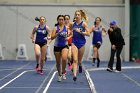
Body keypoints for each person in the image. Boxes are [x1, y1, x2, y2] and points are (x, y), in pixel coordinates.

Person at [70, 10, 90, 81]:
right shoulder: (72, 24)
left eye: (78, 15)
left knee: (79, 60)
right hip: (74, 43)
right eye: (76, 15)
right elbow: (68, 29)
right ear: (75, 16)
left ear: (81, 16)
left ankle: (80, 65)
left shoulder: (84, 24)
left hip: (81, 43)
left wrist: (80, 31)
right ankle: (75, 75)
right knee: (75, 60)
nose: (77, 16)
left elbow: (88, 34)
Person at [51, 15, 72, 82]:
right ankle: (59, 74)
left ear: (64, 20)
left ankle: (63, 72)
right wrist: (57, 34)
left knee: (64, 58)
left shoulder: (67, 27)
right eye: (59, 19)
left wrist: (68, 37)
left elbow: (72, 34)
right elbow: (52, 37)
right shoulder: (55, 28)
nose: (61, 21)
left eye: (62, 19)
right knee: (58, 62)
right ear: (58, 20)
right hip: (57, 46)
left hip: (64, 45)